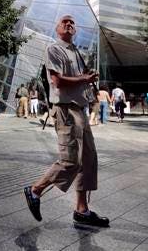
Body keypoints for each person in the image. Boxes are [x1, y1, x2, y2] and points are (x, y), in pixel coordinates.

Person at [24, 15, 109, 228]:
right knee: (71, 161)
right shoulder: (54, 49)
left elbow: (79, 79)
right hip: (65, 110)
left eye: (73, 22)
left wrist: (87, 78)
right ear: (57, 28)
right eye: (65, 22)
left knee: (89, 159)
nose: (70, 24)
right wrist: (84, 79)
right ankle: (35, 190)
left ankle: (82, 211)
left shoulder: (76, 52)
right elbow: (57, 81)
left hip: (80, 109)